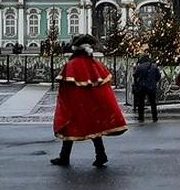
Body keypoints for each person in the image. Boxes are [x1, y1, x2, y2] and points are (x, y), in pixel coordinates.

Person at [51, 34, 127, 167]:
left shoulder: (72, 65)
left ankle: (64, 157)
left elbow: (66, 89)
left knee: (70, 129)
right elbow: (104, 89)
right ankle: (101, 155)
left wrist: (65, 106)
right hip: (93, 105)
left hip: (76, 105)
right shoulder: (96, 65)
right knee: (95, 130)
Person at [131, 54, 161, 122]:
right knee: (153, 103)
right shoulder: (154, 66)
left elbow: (135, 76)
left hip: (142, 87)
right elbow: (158, 76)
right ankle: (155, 117)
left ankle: (141, 117)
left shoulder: (140, 67)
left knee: (141, 103)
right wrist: (154, 82)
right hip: (152, 87)